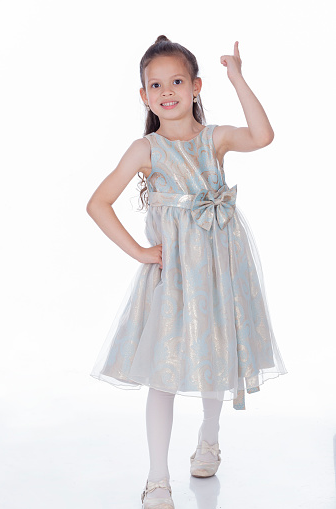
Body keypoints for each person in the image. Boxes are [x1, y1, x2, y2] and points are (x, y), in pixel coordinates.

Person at [86, 35, 288, 509]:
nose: (167, 91)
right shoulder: (146, 149)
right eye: (156, 84)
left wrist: (237, 77)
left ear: (196, 86)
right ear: (144, 96)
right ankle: (158, 479)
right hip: (173, 279)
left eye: (177, 80)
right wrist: (140, 251)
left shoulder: (213, 139)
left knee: (215, 359)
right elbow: (98, 203)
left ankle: (209, 438)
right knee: (164, 373)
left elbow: (262, 136)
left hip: (219, 273)